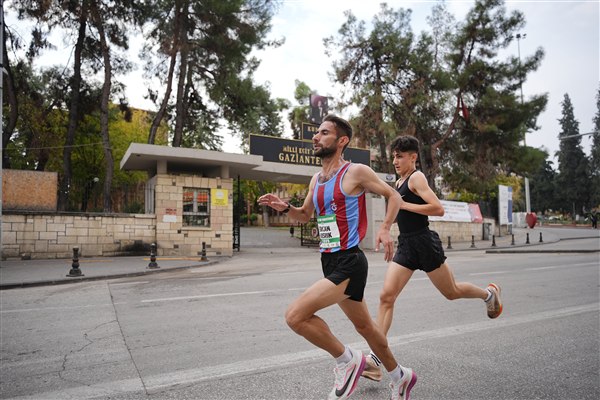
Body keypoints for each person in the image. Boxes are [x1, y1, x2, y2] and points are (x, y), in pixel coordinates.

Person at [258, 115, 417, 400]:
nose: (315, 137)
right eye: (316, 133)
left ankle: (347, 360)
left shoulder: (356, 172)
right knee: (366, 328)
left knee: (296, 316)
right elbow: (304, 215)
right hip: (329, 260)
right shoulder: (316, 180)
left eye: (324, 133)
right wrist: (285, 208)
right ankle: (400, 376)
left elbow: (394, 196)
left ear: (342, 140)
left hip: (349, 261)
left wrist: (384, 228)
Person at [361, 135, 503, 382]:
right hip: (407, 244)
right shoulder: (399, 182)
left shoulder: (416, 178)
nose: (395, 161)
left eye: (400, 156)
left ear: (413, 157)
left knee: (452, 292)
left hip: (424, 243)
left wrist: (405, 206)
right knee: (386, 297)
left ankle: (489, 295)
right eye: (394, 156)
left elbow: (438, 208)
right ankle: (376, 360)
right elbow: (396, 208)